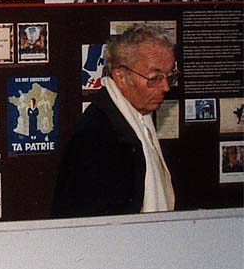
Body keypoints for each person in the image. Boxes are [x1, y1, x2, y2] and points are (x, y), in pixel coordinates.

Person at [52, 24, 177, 218]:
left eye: (170, 76)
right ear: (120, 76)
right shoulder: (98, 135)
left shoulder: (133, 118)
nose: (166, 87)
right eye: (154, 78)